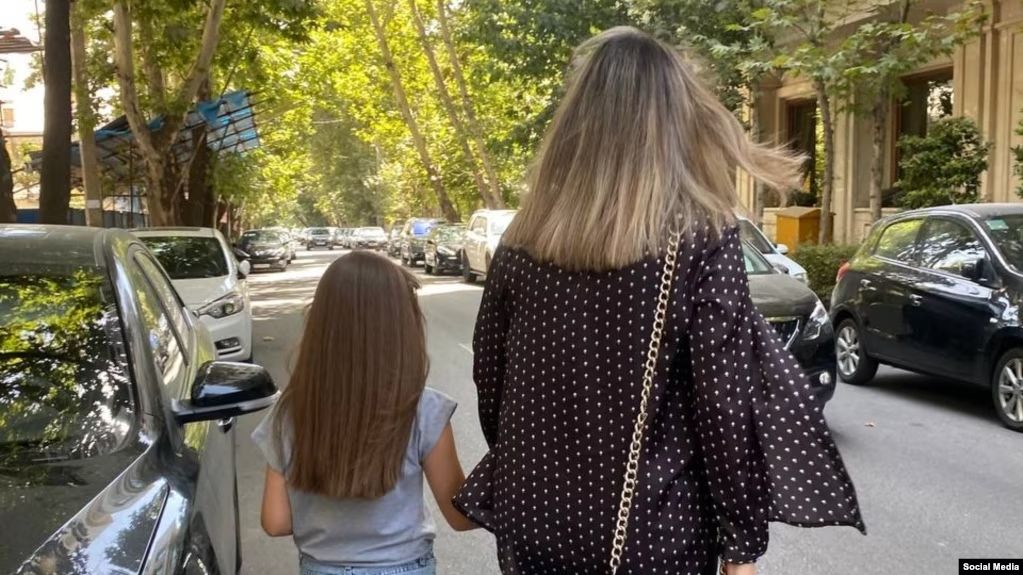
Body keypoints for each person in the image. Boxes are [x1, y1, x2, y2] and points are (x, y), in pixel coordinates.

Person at [453, 27, 865, 575]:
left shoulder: (522, 242)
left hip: (536, 528)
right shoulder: (698, 239)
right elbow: (723, 407)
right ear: (673, 123)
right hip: (653, 537)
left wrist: (539, 477)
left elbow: (493, 383)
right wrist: (742, 543)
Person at [254, 251, 476, 575]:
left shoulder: (291, 412)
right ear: (402, 327)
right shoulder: (423, 411)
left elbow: (275, 522)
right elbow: (460, 516)